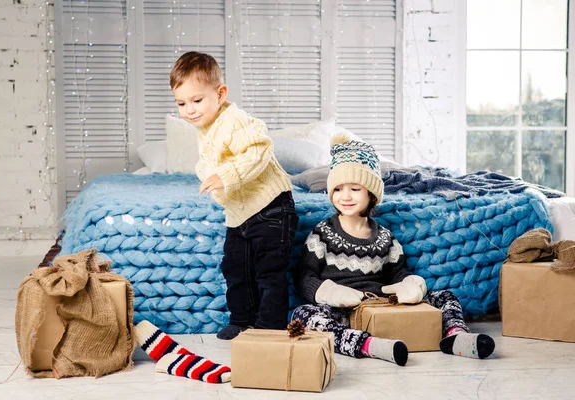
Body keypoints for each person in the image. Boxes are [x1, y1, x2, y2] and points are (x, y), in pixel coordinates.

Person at [292, 133, 495, 365]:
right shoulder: (324, 233)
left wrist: (410, 284)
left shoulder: (385, 237)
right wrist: (328, 293)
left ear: (371, 194)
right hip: (343, 311)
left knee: (445, 296)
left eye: (355, 189)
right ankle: (368, 345)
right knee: (304, 315)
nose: (345, 196)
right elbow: (304, 275)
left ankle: (455, 336)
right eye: (338, 189)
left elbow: (399, 272)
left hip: (381, 304)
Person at [170, 51, 298, 340]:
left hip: (271, 208)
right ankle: (242, 320)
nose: (189, 110)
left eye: (197, 100)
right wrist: (207, 173)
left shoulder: (234, 120)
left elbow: (259, 149)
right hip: (240, 214)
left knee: (269, 272)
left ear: (220, 93)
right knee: (236, 269)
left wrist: (224, 176)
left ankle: (268, 328)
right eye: (181, 103)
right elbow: (211, 162)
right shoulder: (205, 129)